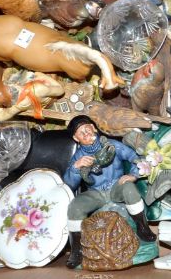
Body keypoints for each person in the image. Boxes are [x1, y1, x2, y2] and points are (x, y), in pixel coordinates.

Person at [63, 115, 156, 269]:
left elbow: (135, 158)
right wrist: (76, 168)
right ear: (76, 138)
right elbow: (69, 184)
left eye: (88, 129)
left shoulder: (112, 145)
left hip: (116, 186)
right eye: (81, 133)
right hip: (96, 192)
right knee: (75, 206)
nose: (86, 133)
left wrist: (133, 175)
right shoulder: (78, 157)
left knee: (129, 189)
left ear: (94, 127)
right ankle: (77, 250)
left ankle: (142, 227)